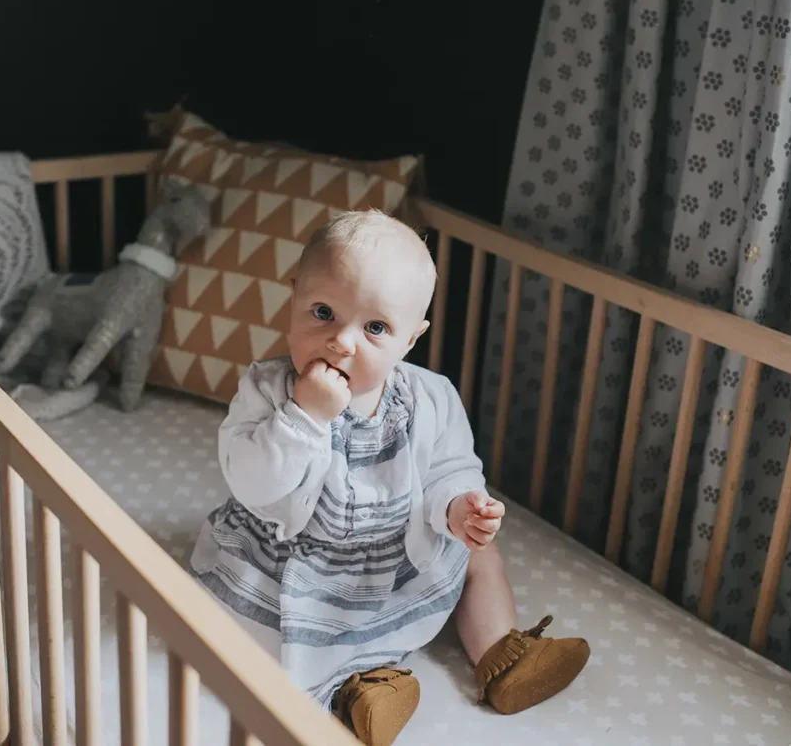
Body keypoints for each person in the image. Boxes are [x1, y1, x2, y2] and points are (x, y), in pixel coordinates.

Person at [189, 209, 589, 745]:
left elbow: (450, 467)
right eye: (323, 312)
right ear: (294, 296)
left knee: (478, 556)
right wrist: (304, 417)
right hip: (299, 561)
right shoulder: (268, 389)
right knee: (288, 628)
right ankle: (360, 689)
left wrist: (459, 509)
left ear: (410, 339)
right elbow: (253, 482)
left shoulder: (430, 397)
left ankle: (503, 654)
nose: (343, 342)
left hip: (396, 551)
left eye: (375, 327)